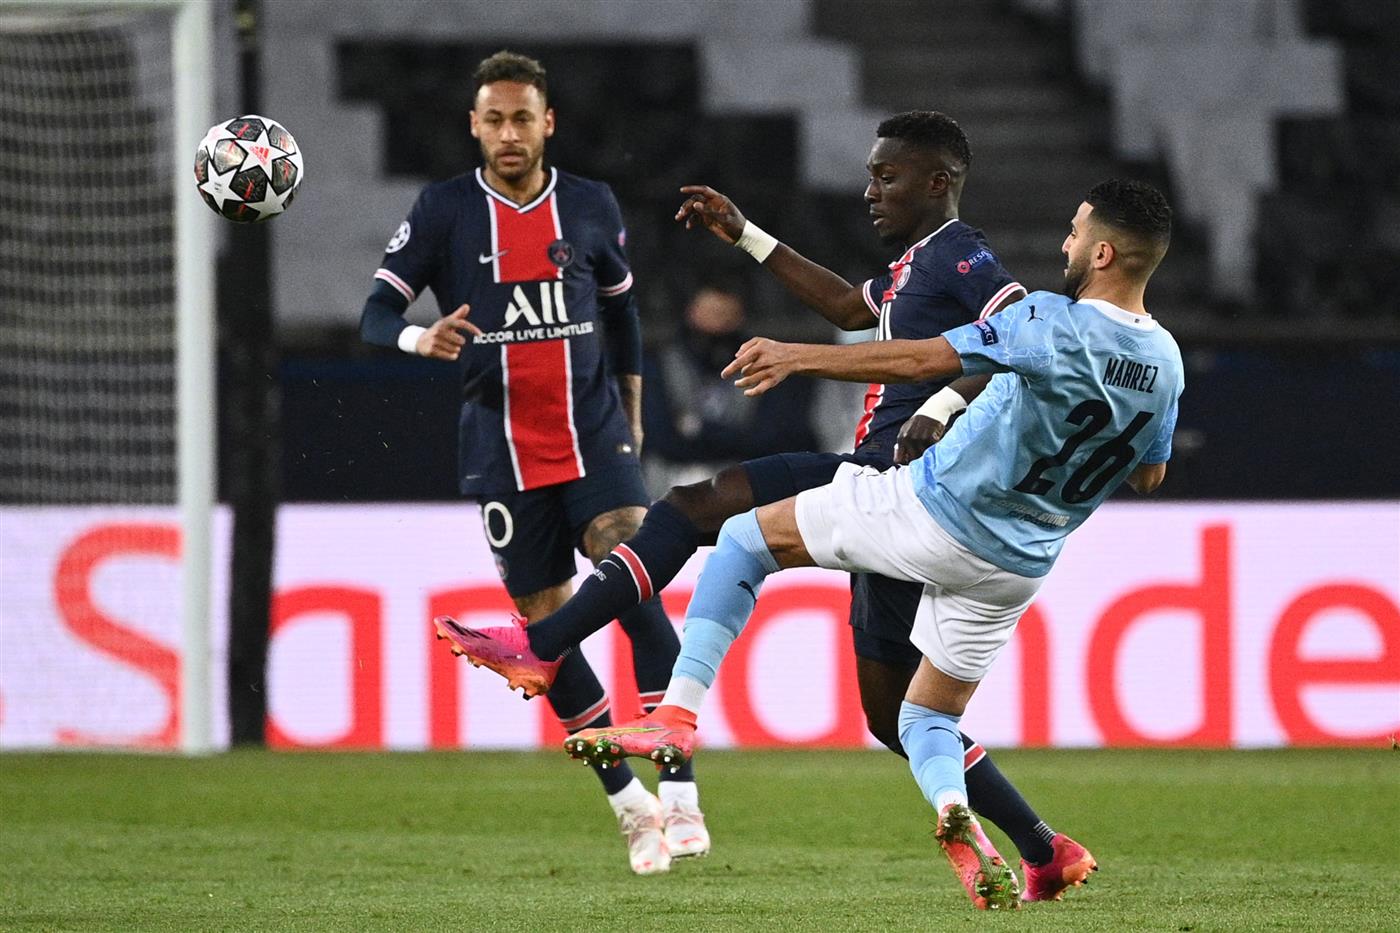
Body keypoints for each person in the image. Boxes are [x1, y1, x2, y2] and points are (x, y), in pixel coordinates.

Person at [434, 112, 1096, 901]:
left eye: (887, 175)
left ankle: (547, 644)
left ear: (939, 181)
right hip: (889, 497)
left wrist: (945, 404)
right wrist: (745, 233)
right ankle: (1043, 846)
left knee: (696, 505)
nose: (869, 189)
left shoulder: (962, 251)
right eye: (870, 174)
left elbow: (1019, 339)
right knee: (895, 721)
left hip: (889, 482)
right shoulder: (914, 265)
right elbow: (853, 310)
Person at [564, 179, 1182, 910]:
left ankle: (676, 716)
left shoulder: (1051, 321)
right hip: (1019, 563)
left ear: (1103, 251)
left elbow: (922, 359)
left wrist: (800, 357)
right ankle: (965, 816)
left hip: (931, 511)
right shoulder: (1167, 363)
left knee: (741, 538)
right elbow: (1148, 473)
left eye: (1076, 234)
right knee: (924, 717)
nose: (1065, 245)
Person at [357, 50, 704, 875]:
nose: (509, 133)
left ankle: (680, 782)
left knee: (635, 571)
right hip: (501, 456)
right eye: (494, 119)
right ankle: (628, 803)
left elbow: (622, 316)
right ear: (474, 126)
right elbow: (375, 312)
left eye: (523, 118)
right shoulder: (442, 211)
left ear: (548, 123)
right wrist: (418, 335)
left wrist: (632, 404)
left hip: (594, 440)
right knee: (547, 641)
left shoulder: (589, 205)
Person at [642, 280, 819, 488]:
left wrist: (697, 429)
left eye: (726, 316)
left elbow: (772, 438)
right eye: (711, 314)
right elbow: (658, 438)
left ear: (740, 317)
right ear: (692, 313)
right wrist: (733, 436)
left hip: (743, 482)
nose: (718, 324)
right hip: (668, 483)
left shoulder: (764, 368)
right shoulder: (660, 366)